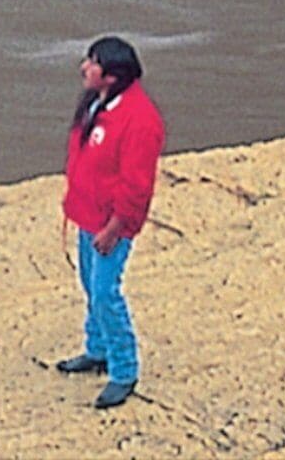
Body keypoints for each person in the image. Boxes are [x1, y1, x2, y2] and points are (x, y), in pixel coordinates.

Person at [56, 34, 162, 409]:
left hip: (110, 224)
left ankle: (124, 369)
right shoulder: (97, 104)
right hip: (88, 213)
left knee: (105, 292)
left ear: (112, 76)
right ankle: (97, 349)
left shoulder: (139, 121)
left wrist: (115, 228)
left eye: (93, 63)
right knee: (89, 285)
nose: (84, 67)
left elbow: (137, 185)